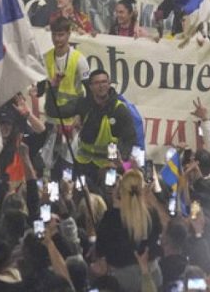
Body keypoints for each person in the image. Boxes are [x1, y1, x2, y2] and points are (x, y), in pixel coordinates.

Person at [94, 169, 162, 291]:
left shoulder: (112, 217)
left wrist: (114, 207)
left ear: (121, 191)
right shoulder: (152, 214)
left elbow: (100, 249)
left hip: (122, 281)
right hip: (153, 275)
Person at [41, 17, 90, 169]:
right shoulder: (46, 58)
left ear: (69, 34)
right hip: (52, 121)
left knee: (69, 168)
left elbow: (89, 93)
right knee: (48, 168)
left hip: (71, 123)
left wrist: (80, 116)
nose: (57, 39)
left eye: (61, 35)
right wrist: (36, 91)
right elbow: (40, 89)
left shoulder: (79, 59)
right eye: (54, 35)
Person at [73, 70, 137, 175]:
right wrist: (76, 115)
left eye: (104, 82)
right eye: (97, 83)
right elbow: (71, 111)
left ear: (109, 84)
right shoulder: (83, 104)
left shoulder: (119, 109)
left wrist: (119, 161)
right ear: (90, 87)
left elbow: (129, 138)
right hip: (82, 163)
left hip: (108, 166)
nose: (101, 86)